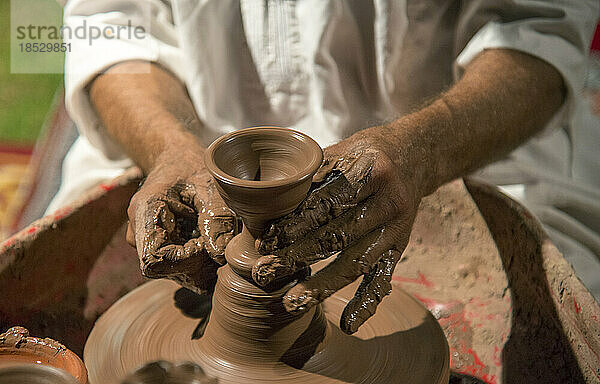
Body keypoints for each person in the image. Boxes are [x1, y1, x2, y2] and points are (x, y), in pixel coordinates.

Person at [49, 0, 599, 333]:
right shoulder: (173, 144)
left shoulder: (436, 148)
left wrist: (423, 152)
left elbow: (540, 30)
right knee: (53, 311)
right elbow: (106, 25)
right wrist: (169, 145)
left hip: (458, 144)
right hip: (181, 137)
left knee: (558, 323)